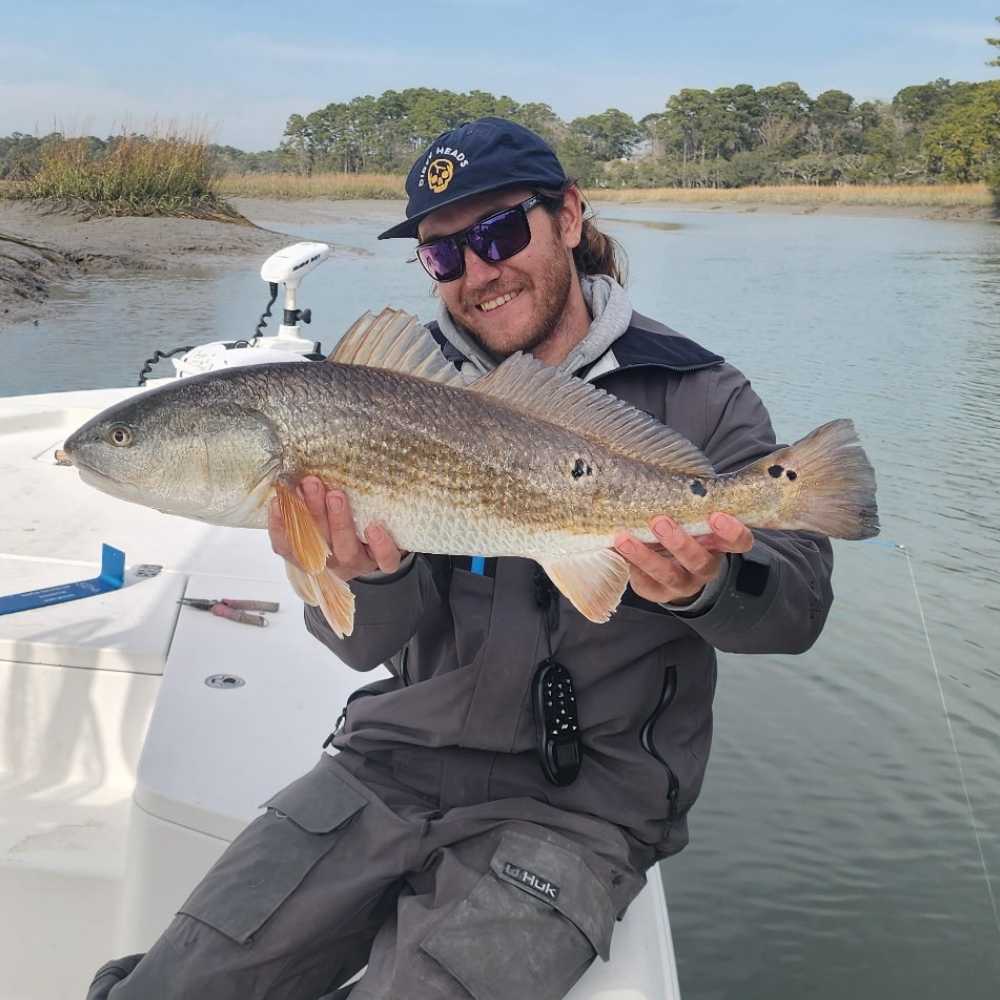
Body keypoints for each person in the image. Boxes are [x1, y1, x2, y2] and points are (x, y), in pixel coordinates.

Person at [88, 117, 834, 1000]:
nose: (478, 273)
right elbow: (367, 649)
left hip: (579, 812)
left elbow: (797, 610)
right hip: (388, 767)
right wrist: (375, 576)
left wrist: (709, 586)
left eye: (499, 233)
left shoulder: (700, 395)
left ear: (568, 214)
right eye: (444, 256)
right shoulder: (392, 396)